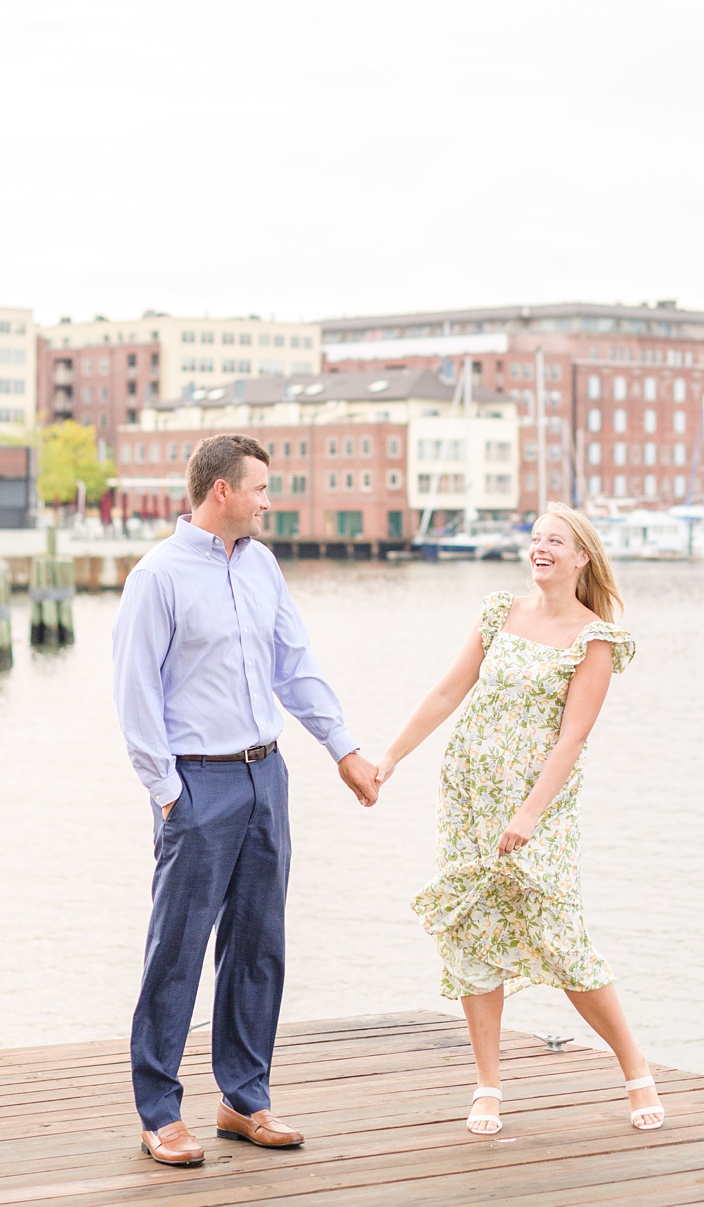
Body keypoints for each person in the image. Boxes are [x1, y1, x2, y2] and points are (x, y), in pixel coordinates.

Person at [112, 433, 381, 1169]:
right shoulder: (156, 578)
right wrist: (169, 795)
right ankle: (159, 1113)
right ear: (221, 492)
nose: (270, 501)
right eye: (260, 488)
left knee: (259, 945)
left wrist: (344, 749)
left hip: (267, 776)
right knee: (177, 950)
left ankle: (243, 1099)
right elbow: (135, 700)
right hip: (196, 784)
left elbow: (296, 665)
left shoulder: (262, 565)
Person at [376, 503, 661, 1136]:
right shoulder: (499, 613)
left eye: (555, 541)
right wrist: (390, 757)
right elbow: (448, 692)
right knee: (476, 933)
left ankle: (635, 1070)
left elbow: (571, 740)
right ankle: (488, 1086)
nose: (541, 549)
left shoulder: (596, 639)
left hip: (540, 811)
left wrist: (530, 814)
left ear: (581, 557)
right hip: (470, 802)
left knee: (561, 937)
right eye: (535, 539)